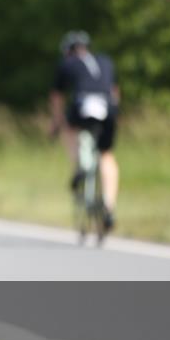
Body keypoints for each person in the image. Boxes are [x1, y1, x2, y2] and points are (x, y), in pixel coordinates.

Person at [49, 31, 120, 231]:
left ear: (68, 51)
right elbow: (114, 92)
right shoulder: (105, 61)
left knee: (69, 128)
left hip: (83, 105)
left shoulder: (68, 63)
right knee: (106, 155)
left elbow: (57, 98)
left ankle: (79, 165)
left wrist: (56, 123)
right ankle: (108, 205)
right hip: (108, 108)